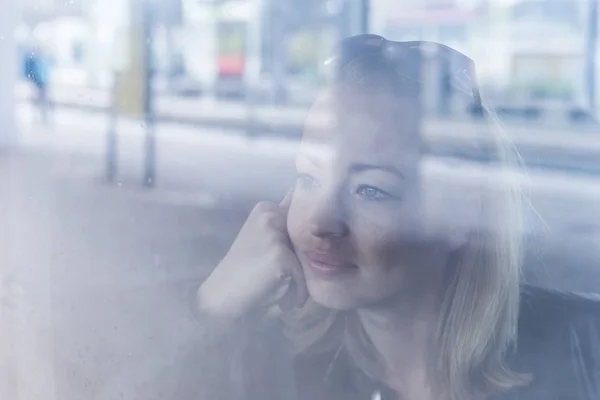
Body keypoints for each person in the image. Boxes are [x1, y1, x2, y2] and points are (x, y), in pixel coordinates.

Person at [194, 35, 600, 400]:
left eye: (370, 190)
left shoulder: (585, 350)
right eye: (309, 177)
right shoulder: (277, 363)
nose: (321, 223)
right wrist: (211, 306)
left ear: (460, 213)